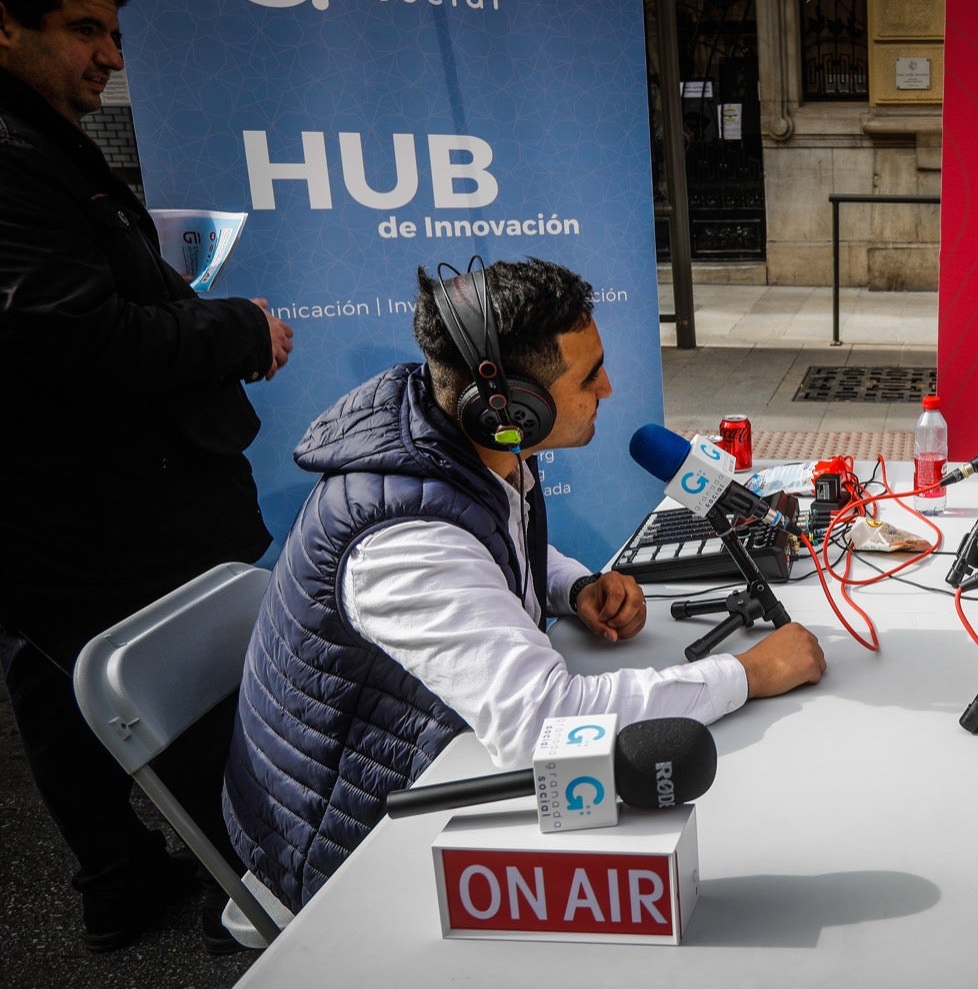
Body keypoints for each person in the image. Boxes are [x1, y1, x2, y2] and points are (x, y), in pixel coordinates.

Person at [223, 258, 828, 912]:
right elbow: (544, 727)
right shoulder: (405, 542)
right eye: (589, 376)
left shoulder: (454, 432)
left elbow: (485, 540)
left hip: (425, 766)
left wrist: (571, 586)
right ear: (510, 406)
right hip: (352, 850)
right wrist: (748, 674)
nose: (610, 389)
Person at [0, 0, 294, 953]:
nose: (110, 56)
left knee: (58, 677)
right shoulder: (10, 155)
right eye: (84, 30)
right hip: (99, 509)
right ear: (4, 26)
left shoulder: (40, 140)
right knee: (187, 681)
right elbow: (67, 333)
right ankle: (258, 882)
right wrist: (236, 328)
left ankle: (120, 879)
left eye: (113, 33)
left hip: (83, 501)